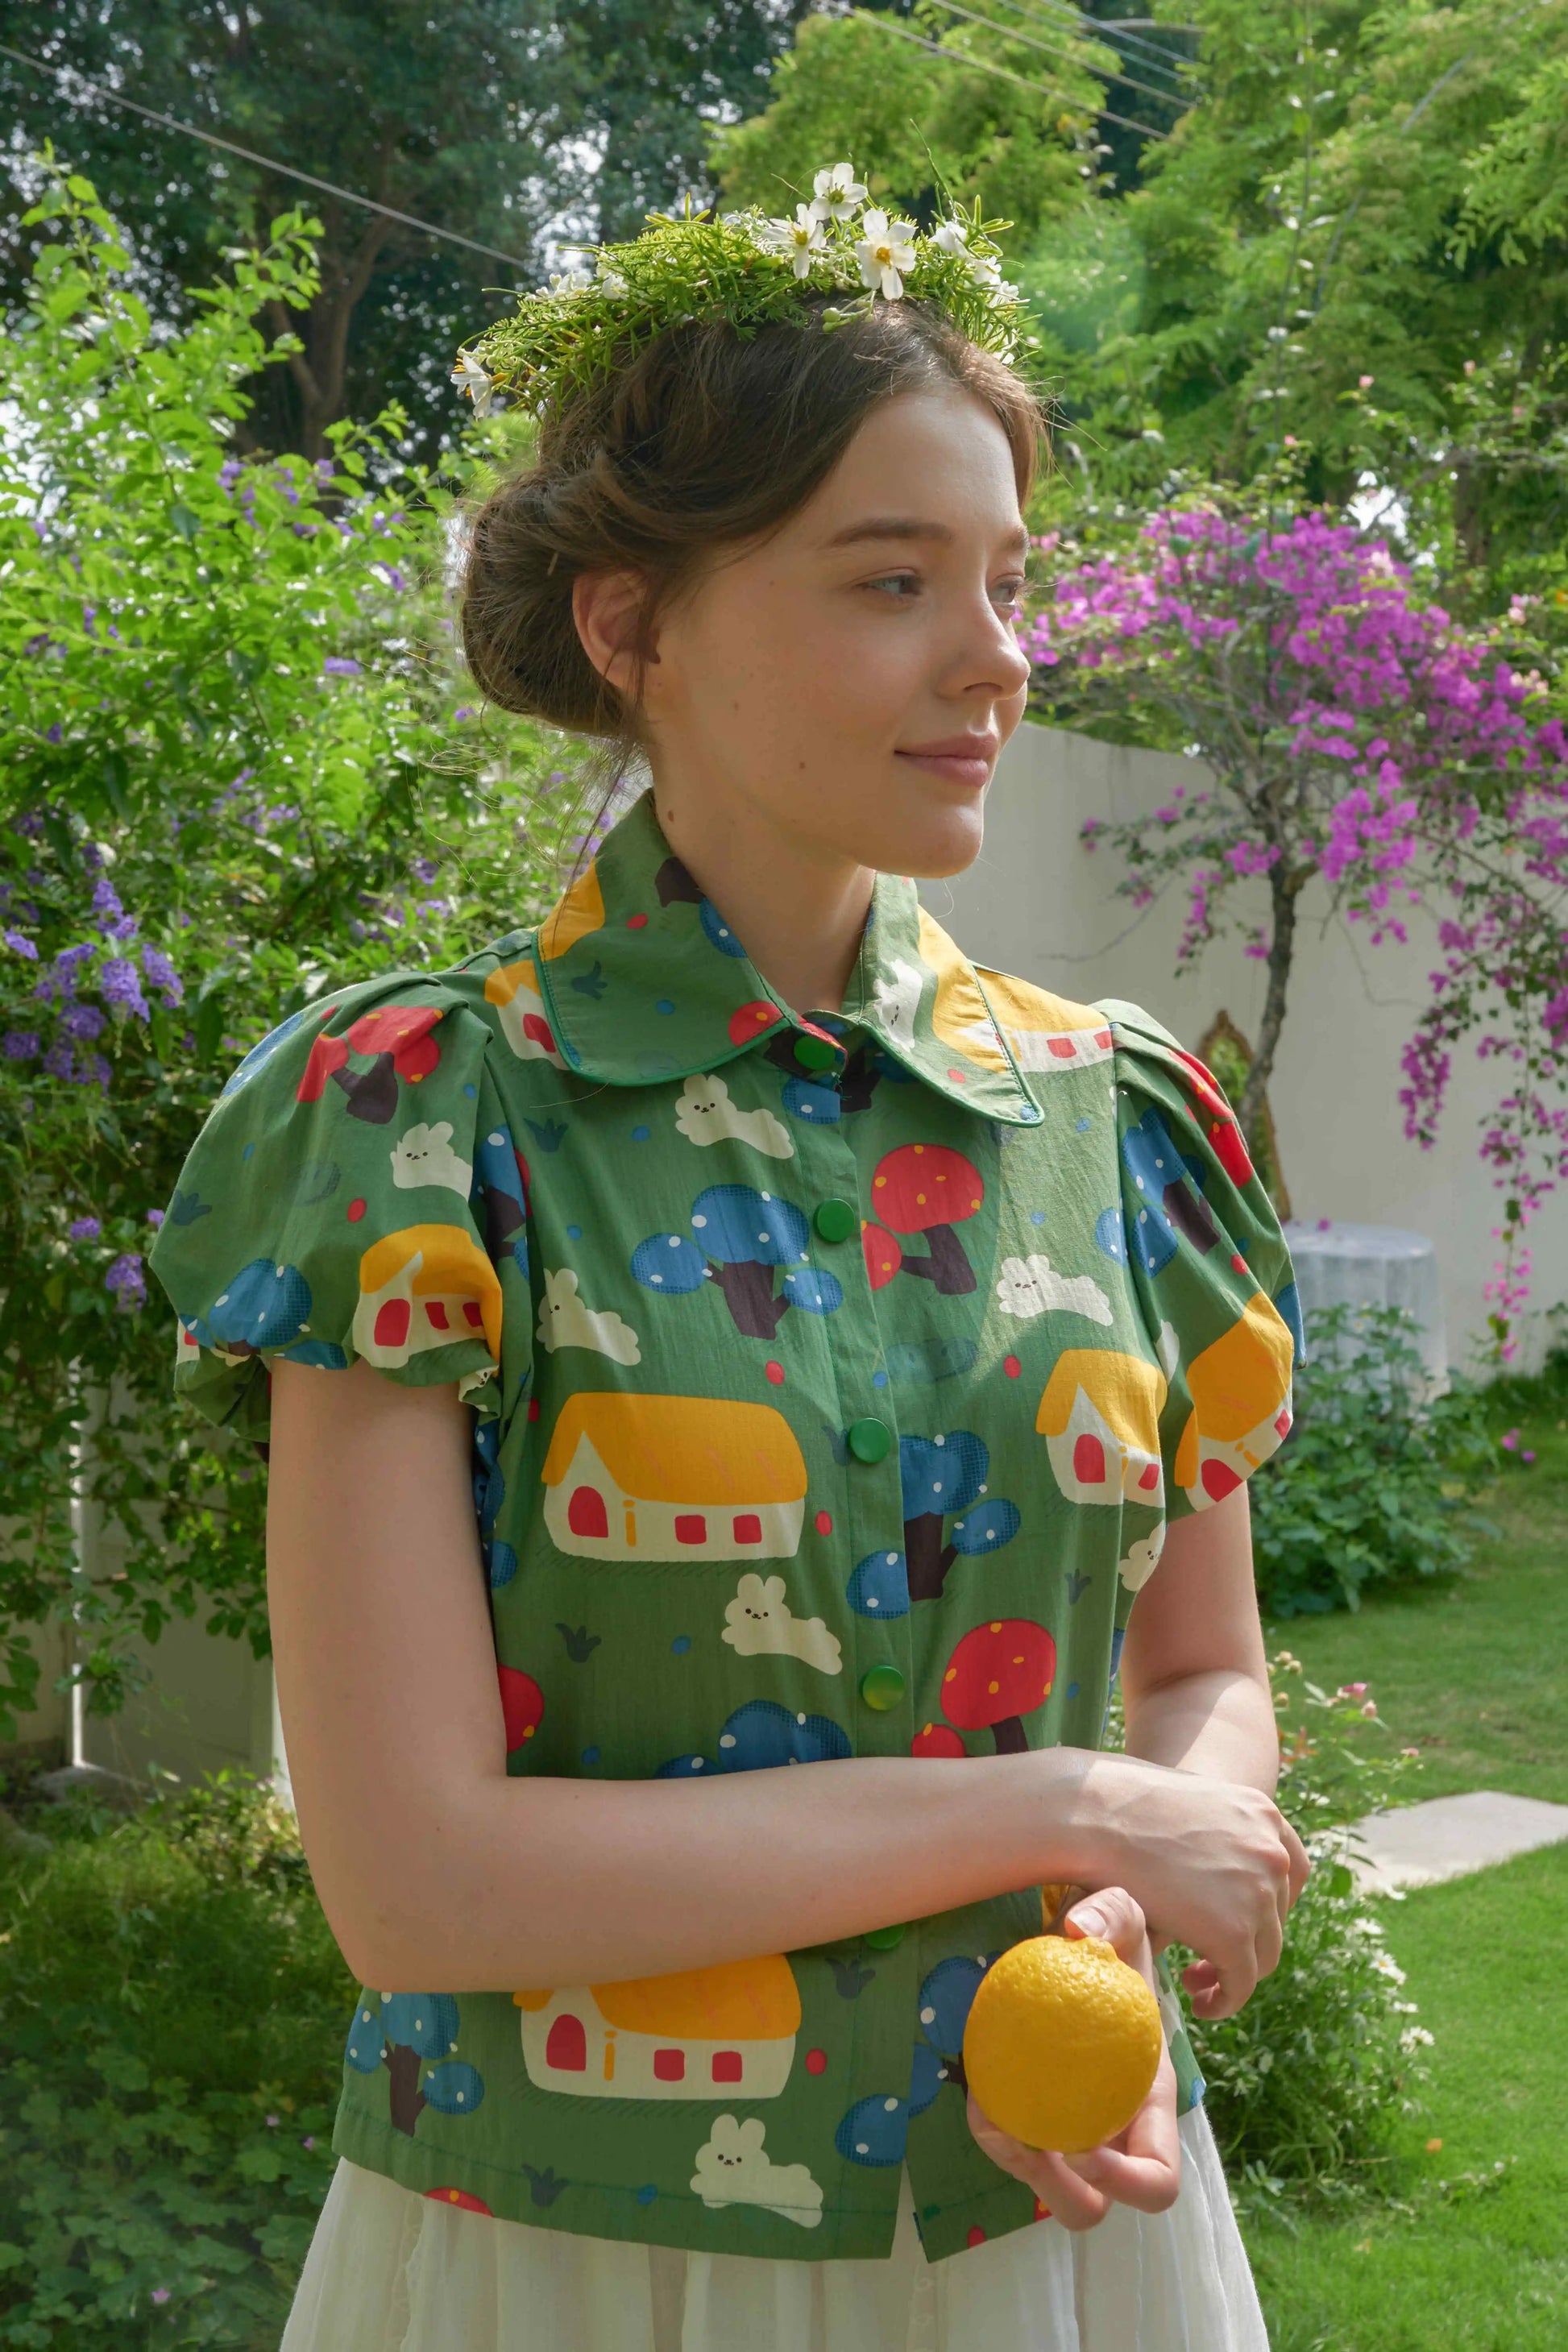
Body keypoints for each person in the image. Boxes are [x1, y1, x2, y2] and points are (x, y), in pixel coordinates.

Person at [147, 175, 1309, 2352]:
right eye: (891, 579)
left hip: (1049, 2233)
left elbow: (1199, 1676)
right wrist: (1065, 1803)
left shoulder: (1115, 1117)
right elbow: (421, 1887)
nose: (995, 655)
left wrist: (1125, 1895)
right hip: (573, 2253)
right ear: (631, 628)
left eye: (1006, 581)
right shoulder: (428, 1126)